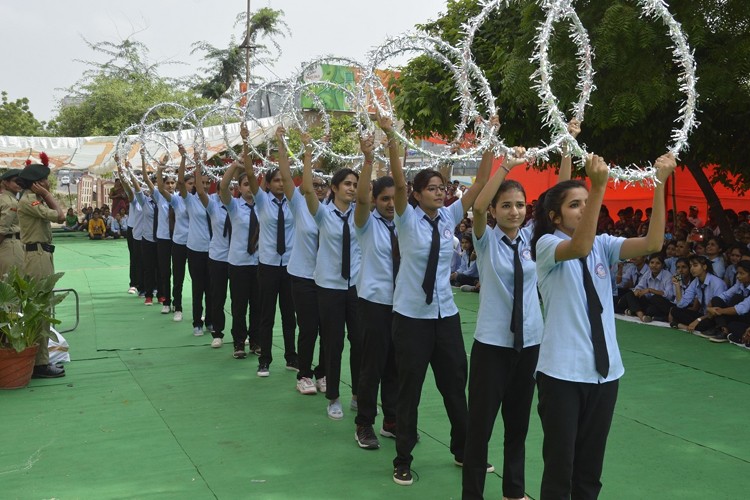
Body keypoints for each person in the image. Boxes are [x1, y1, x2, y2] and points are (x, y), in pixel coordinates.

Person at [530, 151, 676, 499]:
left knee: (590, 471)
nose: (582, 209)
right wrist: (597, 188)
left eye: (585, 202)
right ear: (555, 216)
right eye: (574, 205)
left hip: (606, 373)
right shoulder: (548, 245)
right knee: (560, 468)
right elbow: (579, 246)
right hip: (563, 374)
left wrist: (659, 183)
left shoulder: (603, 245)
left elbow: (653, 243)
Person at [384, 114, 493, 487]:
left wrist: (491, 141)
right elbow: (398, 183)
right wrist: (389, 136)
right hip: (412, 317)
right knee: (409, 391)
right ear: (416, 193)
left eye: (442, 187)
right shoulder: (406, 219)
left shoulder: (449, 216)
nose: (439, 192)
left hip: (445, 314)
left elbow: (479, 184)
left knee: (454, 386)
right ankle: (403, 458)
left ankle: (463, 451)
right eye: (431, 187)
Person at [462, 141, 538, 500]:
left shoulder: (537, 241)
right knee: (480, 428)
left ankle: (514, 491)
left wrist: (567, 147)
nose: (514, 211)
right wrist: (506, 166)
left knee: (518, 425)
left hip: (530, 344)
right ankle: (472, 494)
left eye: (520, 205)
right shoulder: (486, 241)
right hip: (492, 345)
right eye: (506, 205)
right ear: (494, 210)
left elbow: (560, 197)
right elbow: (476, 206)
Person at [300, 132, 362, 421]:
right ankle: (334, 396)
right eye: (347, 184)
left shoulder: (363, 217)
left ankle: (358, 394)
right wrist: (308, 152)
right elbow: (307, 190)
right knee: (333, 343)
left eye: (355, 185)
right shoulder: (323, 214)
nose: (352, 188)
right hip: (329, 287)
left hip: (356, 288)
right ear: (334, 188)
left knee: (360, 342)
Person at [351, 132, 400, 450]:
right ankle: (364, 423)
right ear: (375, 200)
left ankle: (392, 420)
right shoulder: (366, 224)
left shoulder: (406, 224)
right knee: (372, 366)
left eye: (395, 199)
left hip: (401, 305)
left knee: (397, 366)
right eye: (385, 199)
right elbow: (361, 200)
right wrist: (369, 160)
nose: (391, 204)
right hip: (373, 304)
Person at [243, 124, 297, 375]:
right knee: (266, 315)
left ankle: (291, 356)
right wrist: (245, 143)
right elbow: (251, 176)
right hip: (267, 265)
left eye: (281, 180)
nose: (279, 183)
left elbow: (289, 175)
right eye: (274, 180)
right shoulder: (262, 201)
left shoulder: (294, 202)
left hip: (289, 265)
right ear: (267, 184)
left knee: (290, 315)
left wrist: (282, 142)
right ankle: (264, 359)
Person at [280, 132, 328, 395]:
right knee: (308, 327)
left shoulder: (332, 210)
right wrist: (287, 145)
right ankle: (304, 374)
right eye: (315, 185)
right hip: (302, 276)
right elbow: (288, 177)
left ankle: (323, 372)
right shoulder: (299, 206)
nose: (318, 189)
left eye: (323, 186)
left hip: (327, 277)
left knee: (328, 329)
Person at [16, 158, 66, 378]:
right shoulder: (31, 201)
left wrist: (44, 195)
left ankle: (41, 360)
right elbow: (62, 216)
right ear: (36, 183)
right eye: (44, 180)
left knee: (43, 308)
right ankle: (40, 364)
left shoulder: (34, 200)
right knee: (40, 309)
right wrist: (46, 195)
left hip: (42, 254)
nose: (47, 183)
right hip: (36, 256)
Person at [218, 160, 261, 359]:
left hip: (260, 263)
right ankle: (238, 342)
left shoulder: (264, 206)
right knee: (239, 305)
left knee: (258, 305)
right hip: (239, 263)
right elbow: (223, 186)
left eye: (252, 185)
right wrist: (235, 165)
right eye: (245, 185)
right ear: (240, 188)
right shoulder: (234, 206)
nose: (249, 189)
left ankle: (256, 341)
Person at [177, 147, 213, 336]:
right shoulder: (189, 201)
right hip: (196, 249)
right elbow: (181, 181)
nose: (205, 186)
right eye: (202, 183)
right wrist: (186, 159)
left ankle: (211, 320)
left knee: (212, 288)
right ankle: (197, 322)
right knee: (198, 287)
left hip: (214, 251)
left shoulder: (215, 200)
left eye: (208, 183)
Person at [195, 163, 230, 348]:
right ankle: (217, 332)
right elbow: (200, 191)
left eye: (233, 188)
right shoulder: (214, 206)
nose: (229, 191)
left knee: (242, 300)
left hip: (239, 259)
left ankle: (242, 335)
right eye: (226, 187)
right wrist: (198, 166)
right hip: (218, 258)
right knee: (218, 297)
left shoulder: (240, 206)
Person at [157, 153, 189, 323]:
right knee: (165, 272)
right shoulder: (162, 197)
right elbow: (156, 186)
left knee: (179, 276)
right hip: (164, 237)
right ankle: (167, 301)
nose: (170, 185)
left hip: (184, 241)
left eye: (172, 182)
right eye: (167, 182)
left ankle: (178, 305)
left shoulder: (183, 198)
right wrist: (161, 167)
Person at [668, 255, 727, 334]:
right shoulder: (696, 281)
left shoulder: (717, 283)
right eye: (691, 266)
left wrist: (697, 320)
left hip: (716, 316)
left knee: (706, 324)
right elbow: (681, 305)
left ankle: (684, 326)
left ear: (704, 267)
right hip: (703, 315)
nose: (692, 268)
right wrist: (677, 285)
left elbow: (716, 310)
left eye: (695, 265)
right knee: (675, 310)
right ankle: (687, 326)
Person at [704, 260, 750, 343]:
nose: (738, 276)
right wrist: (710, 306)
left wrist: (717, 311)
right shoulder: (740, 284)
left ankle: (723, 329)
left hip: (745, 317)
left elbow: (740, 309)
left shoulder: (715, 281)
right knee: (716, 299)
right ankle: (723, 329)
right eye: (738, 273)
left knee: (737, 298)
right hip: (724, 315)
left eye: (742, 273)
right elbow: (724, 295)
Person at [621, 254, 674, 323]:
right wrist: (637, 291)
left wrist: (650, 290)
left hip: (662, 304)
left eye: (658, 263)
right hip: (650, 302)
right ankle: (642, 316)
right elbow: (639, 287)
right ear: (649, 264)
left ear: (662, 265)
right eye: (652, 263)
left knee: (654, 300)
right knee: (630, 294)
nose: (654, 265)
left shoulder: (667, 275)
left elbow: (670, 295)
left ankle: (634, 311)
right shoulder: (648, 273)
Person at [0, 169, 24, 278]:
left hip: (7, 245)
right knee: (13, 284)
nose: (19, 184)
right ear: (5, 182)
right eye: (16, 181)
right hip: (10, 245)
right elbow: (2, 230)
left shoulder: (4, 199)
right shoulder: (11, 202)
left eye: (20, 182)